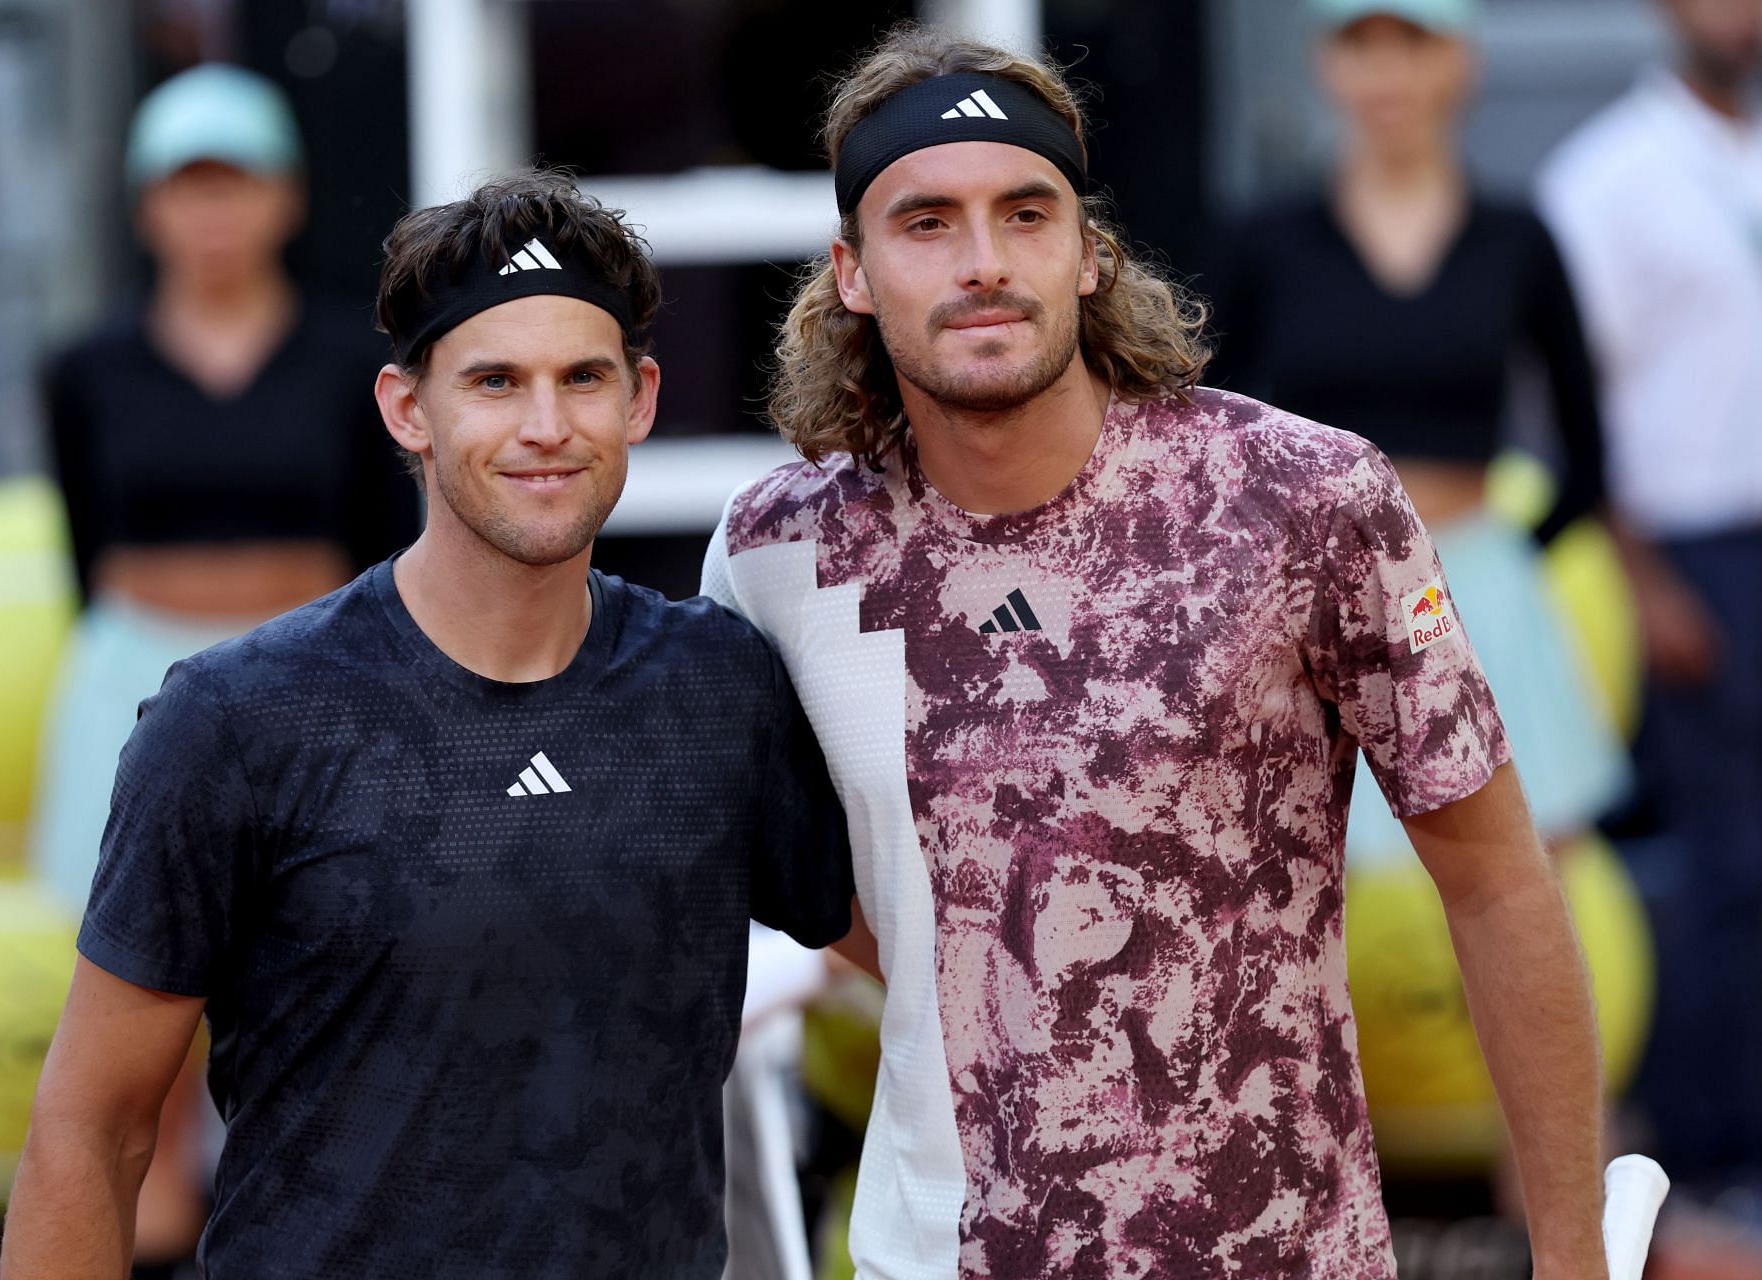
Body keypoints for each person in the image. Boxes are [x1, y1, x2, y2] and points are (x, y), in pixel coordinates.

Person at [704, 24, 1606, 1278]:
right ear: (852, 272)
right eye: (927, 224)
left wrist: (1572, 1253)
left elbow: (1501, 883)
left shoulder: (1305, 497)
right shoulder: (773, 555)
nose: (984, 262)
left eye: (1028, 214)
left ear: (1088, 252)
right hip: (941, 1254)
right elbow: (831, 899)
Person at [0, 168, 855, 1280]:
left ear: (640, 398)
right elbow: (90, 1129)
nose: (546, 426)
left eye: (582, 378)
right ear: (410, 408)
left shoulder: (721, 686)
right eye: (494, 381)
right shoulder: (236, 718)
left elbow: (931, 957)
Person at [31, 62, 422, 1267]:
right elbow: (86, 549)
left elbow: (381, 548)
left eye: (235, 183)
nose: (212, 214)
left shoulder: (348, 364)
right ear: (145, 206)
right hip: (132, 692)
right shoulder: (85, 369)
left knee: (326, 993)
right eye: (185, 186)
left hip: (315, 694)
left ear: (286, 198)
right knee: (138, 1032)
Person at [1206, 0, 1627, 872]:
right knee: (1315, 864)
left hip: (1479, 597)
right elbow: (1216, 441)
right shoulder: (1265, 239)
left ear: (1461, 61)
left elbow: (1588, 451)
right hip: (1316, 598)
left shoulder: (1519, 239)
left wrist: (1501, 567)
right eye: (1362, 46)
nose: (1389, 74)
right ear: (1328, 64)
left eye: (1416, 44)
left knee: (1525, 871)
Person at [1539, 0, 1762, 1197]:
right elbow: (1579, 411)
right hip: (1690, 553)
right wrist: (1643, 580)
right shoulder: (1606, 181)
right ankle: (1715, 1156)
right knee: (1725, 867)